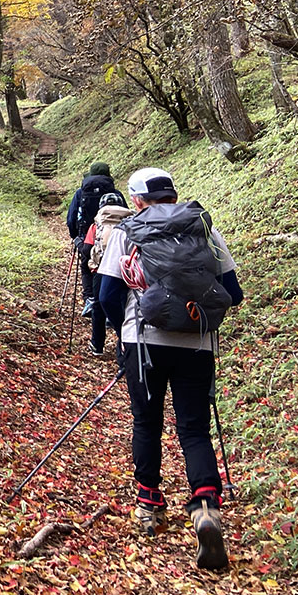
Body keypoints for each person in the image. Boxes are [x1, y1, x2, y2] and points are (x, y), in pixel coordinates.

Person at [98, 167, 243, 571]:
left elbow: (108, 294)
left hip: (142, 342)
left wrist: (123, 329)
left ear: (138, 200)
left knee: (146, 423)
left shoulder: (126, 232)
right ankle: (206, 506)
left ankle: (148, 504)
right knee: (194, 428)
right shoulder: (204, 230)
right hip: (197, 342)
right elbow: (233, 292)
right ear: (173, 195)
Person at [66, 161, 125, 336]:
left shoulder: (81, 192)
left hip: (87, 239)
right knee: (114, 271)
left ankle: (90, 299)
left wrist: (76, 237)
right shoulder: (115, 194)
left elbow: (71, 218)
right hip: (114, 241)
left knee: (87, 267)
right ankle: (111, 306)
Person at [81, 191, 134, 356]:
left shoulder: (97, 224)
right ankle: (125, 343)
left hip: (100, 269)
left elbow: (87, 249)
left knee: (98, 306)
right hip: (125, 270)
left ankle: (97, 345)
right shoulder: (132, 222)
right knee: (125, 306)